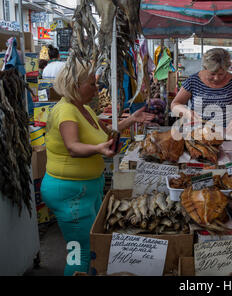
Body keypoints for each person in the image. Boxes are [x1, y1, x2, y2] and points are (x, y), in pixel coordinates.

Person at [41, 60, 155, 275]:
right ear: (75, 84)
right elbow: (73, 147)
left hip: (87, 189)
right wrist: (99, 149)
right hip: (70, 191)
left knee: (91, 244)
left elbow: (107, 134)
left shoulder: (83, 109)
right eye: (92, 84)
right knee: (79, 250)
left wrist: (131, 119)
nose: (97, 89)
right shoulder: (66, 111)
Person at [171, 48, 232, 137]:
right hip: (197, 134)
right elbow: (175, 104)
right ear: (205, 68)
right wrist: (187, 112)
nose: (216, 78)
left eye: (221, 74)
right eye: (212, 73)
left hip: (225, 134)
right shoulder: (193, 81)